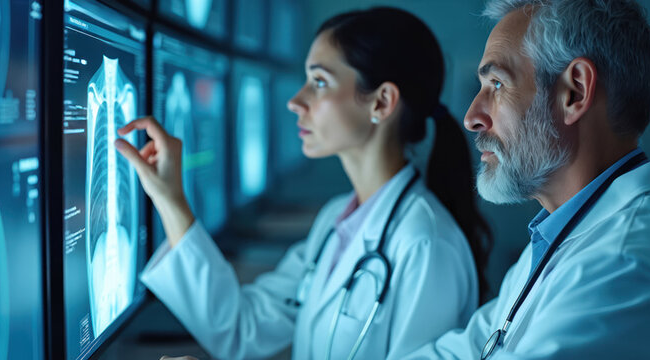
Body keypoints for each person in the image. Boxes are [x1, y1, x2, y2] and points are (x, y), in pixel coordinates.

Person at [115, 7, 492, 360]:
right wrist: (170, 199)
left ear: (381, 102)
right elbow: (240, 328)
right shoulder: (335, 222)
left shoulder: (427, 244)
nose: (296, 101)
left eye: (319, 82)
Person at [404, 0, 650, 358]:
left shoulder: (625, 266)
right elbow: (464, 350)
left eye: (498, 84)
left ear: (574, 93)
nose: (472, 117)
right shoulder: (563, 234)